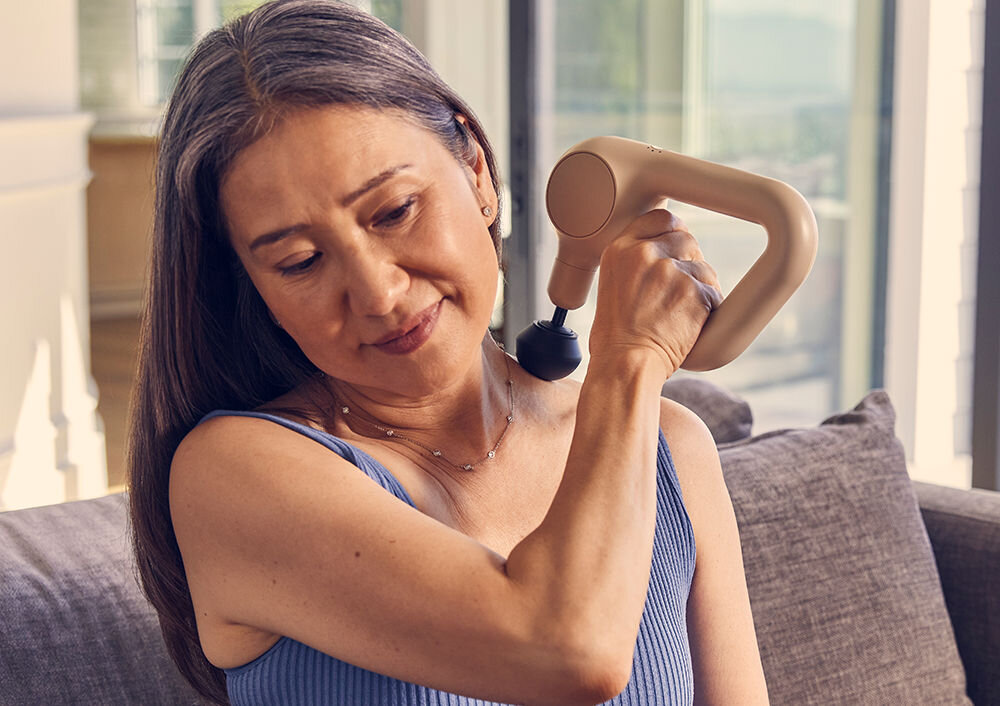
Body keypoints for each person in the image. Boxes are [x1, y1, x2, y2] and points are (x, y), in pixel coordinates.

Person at [127, 1, 769, 704]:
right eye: (302, 261)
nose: (377, 294)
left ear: (477, 172)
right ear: (252, 287)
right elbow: (567, 650)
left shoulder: (671, 447)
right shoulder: (233, 476)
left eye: (395, 211)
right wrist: (632, 358)